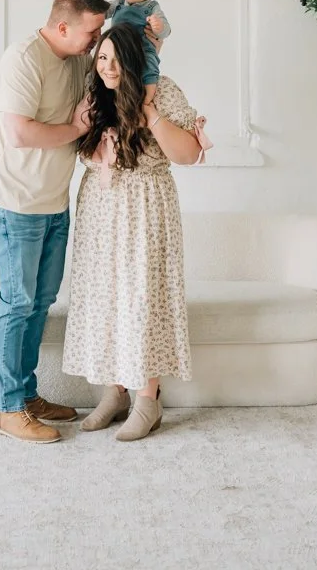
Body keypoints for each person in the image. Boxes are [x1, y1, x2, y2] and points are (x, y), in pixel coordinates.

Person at [61, 23, 211, 442]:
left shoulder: (161, 90)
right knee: (105, 299)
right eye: (102, 57)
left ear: (134, 58)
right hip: (100, 210)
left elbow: (188, 154)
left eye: (115, 58)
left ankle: (148, 401)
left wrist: (150, 113)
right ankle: (115, 394)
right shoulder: (94, 93)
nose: (107, 66)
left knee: (143, 300)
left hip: (146, 206)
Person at [0, 0, 108, 445]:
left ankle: (26, 396)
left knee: (39, 304)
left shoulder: (77, 61)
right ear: (62, 26)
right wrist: (75, 127)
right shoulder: (23, 58)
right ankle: (5, 408)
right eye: (91, 31)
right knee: (17, 304)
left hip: (55, 202)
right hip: (17, 203)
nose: (96, 39)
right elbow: (18, 133)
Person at [106, 0, 170, 104]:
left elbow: (166, 31)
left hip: (142, 48)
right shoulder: (120, 1)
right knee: (107, 63)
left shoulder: (151, 7)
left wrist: (158, 26)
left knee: (149, 64)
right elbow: (105, 12)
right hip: (117, 46)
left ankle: (147, 100)